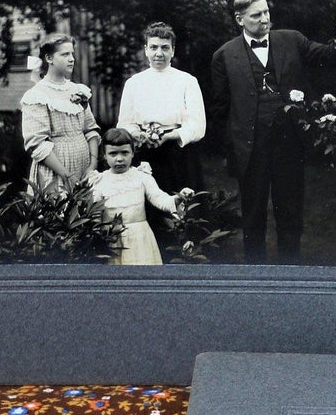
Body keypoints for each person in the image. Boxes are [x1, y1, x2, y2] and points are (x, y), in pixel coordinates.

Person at [206, 0, 336, 263]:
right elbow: (220, 109)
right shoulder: (224, 56)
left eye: (266, 12)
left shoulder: (292, 39)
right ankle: (257, 278)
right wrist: (235, 146)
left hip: (289, 145)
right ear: (240, 19)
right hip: (250, 151)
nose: (264, 19)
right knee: (252, 220)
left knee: (290, 215)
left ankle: (292, 274)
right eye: (256, 15)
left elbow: (327, 55)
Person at [115, 22, 208, 195]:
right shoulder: (134, 83)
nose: (159, 53)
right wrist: (138, 134)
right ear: (146, 50)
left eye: (165, 48)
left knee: (182, 207)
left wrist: (169, 136)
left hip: (179, 153)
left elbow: (198, 125)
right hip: (145, 153)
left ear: (173, 50)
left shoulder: (187, 81)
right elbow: (125, 123)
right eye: (154, 47)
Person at [85, 129, 194, 266]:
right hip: (112, 239)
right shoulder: (100, 181)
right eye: (113, 153)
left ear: (132, 153)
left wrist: (177, 198)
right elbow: (93, 210)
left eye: (124, 153)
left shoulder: (142, 176)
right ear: (104, 155)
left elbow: (158, 198)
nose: (119, 159)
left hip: (140, 237)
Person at [19, 34, 101, 195]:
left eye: (72, 54)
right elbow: (37, 144)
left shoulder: (78, 90)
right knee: (59, 214)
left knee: (86, 215)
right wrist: (66, 175)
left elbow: (91, 130)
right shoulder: (37, 95)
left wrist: (92, 166)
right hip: (56, 171)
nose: (71, 59)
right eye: (65, 54)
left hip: (84, 168)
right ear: (49, 58)